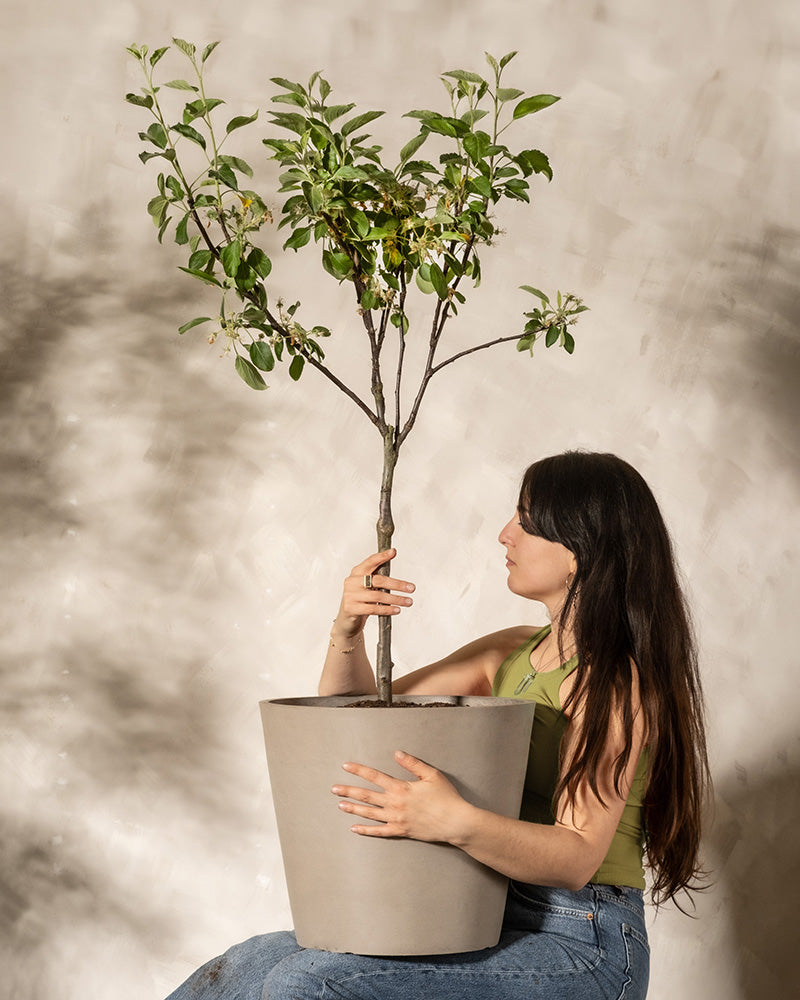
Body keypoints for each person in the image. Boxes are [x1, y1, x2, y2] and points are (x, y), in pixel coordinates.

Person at [165, 451, 709, 1000]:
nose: (504, 535)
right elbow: (356, 716)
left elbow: (575, 857)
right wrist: (347, 630)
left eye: (525, 522)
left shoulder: (613, 684)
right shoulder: (511, 652)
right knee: (247, 964)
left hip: (585, 941)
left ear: (578, 551)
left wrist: (452, 821)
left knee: (309, 984)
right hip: (490, 910)